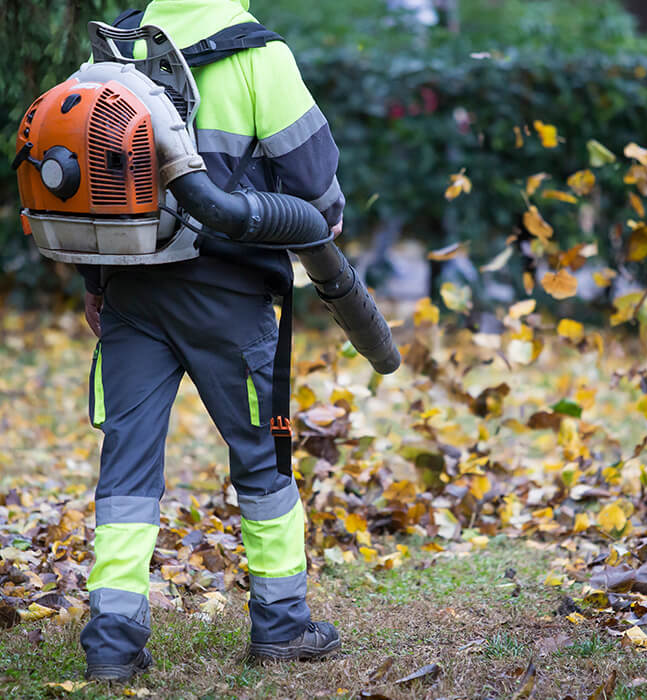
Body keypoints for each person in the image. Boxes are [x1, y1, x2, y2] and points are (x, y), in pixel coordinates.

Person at [78, 0, 345, 682]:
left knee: (127, 469)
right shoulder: (261, 56)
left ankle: (111, 641)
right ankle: (283, 627)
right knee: (263, 455)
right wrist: (321, 236)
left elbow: (90, 169)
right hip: (230, 293)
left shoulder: (120, 44)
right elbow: (315, 184)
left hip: (132, 289)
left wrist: (94, 282)